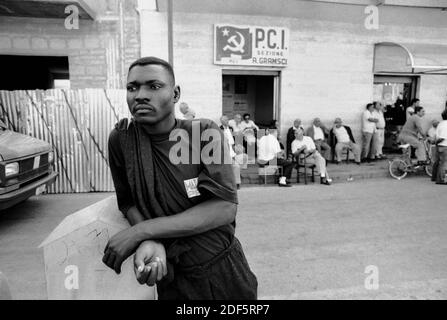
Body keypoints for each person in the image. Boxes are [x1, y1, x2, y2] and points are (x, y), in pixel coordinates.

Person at [104, 56, 257, 300]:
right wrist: (153, 242)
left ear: (175, 94)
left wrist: (141, 232)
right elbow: (127, 202)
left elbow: (224, 207)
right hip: (172, 280)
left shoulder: (202, 132)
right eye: (132, 87)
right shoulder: (121, 140)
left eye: (154, 86)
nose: (140, 95)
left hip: (222, 272)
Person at [433, 110, 447, 184]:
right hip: (444, 145)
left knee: (438, 162)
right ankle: (441, 180)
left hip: (440, 145)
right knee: (443, 163)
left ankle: (434, 177)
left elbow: (437, 136)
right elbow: (442, 137)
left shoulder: (441, 124)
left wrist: (436, 144)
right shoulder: (446, 124)